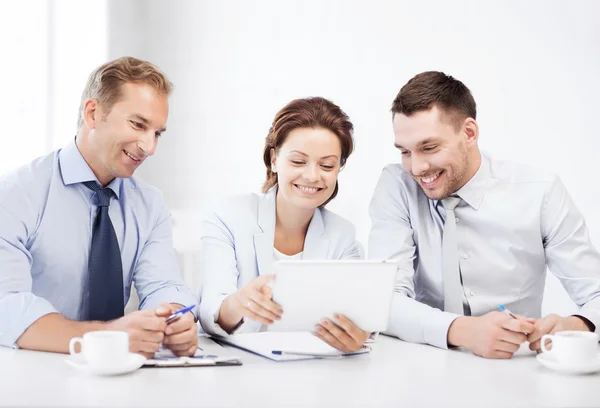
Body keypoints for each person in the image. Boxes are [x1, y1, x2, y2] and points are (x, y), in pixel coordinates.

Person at [368, 71, 600, 358]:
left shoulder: (540, 192)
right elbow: (382, 300)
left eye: (429, 148)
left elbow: (596, 292)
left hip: (517, 370)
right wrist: (463, 330)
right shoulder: (396, 187)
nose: (416, 168)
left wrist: (574, 325)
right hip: (420, 367)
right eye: (405, 151)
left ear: (469, 133)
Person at [0, 57, 198, 358]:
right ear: (93, 113)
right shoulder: (17, 194)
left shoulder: (150, 205)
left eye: (157, 133)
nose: (149, 147)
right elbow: (7, 306)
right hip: (32, 373)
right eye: (138, 124)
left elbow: (163, 284)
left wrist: (174, 318)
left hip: (121, 375)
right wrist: (106, 337)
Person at [198, 97, 369, 352]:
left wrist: (356, 333)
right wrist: (237, 304)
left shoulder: (343, 236)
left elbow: (358, 315)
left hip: (310, 371)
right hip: (238, 369)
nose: (312, 175)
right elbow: (211, 312)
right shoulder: (228, 215)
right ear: (274, 159)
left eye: (327, 165)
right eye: (298, 161)